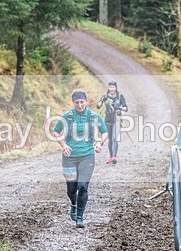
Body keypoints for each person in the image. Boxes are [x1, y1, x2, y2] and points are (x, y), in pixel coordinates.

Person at [52, 89, 108, 228]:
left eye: (82, 102)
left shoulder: (93, 116)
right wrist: (63, 145)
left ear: (86, 101)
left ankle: (80, 217)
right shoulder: (68, 116)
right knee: (72, 189)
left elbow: (104, 131)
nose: (80, 105)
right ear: (73, 103)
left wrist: (99, 143)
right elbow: (56, 131)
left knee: (82, 186)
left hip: (87, 155)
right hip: (69, 156)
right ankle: (73, 203)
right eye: (77, 102)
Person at [96, 81, 128, 164]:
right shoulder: (105, 96)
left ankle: (114, 156)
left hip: (117, 118)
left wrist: (119, 108)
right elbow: (98, 106)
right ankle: (110, 157)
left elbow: (125, 108)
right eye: (110, 87)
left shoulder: (120, 97)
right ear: (108, 88)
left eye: (113, 87)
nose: (112, 89)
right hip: (107, 119)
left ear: (116, 88)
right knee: (109, 139)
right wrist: (102, 100)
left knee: (114, 138)